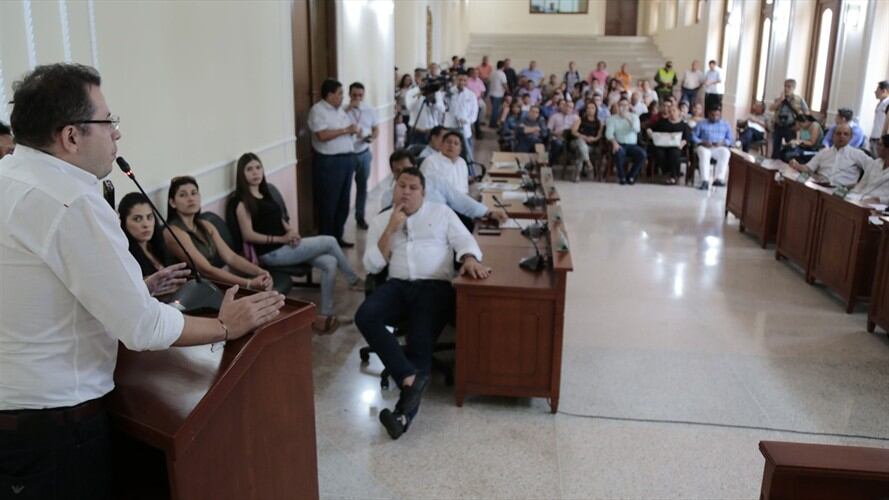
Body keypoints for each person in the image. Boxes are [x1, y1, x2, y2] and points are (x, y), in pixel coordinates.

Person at [0, 63, 284, 498]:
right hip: (55, 427)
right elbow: (142, 328)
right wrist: (227, 326)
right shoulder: (72, 201)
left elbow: (39, 286)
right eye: (107, 121)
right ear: (71, 136)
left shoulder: (9, 176)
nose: (117, 133)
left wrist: (133, 291)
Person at [356, 167, 490, 439]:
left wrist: (469, 259)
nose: (405, 191)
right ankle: (409, 377)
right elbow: (373, 264)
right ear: (393, 189)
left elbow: (464, 239)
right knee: (365, 315)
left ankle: (402, 415)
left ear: (423, 193)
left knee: (420, 340)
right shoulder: (382, 220)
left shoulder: (440, 213)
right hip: (397, 285)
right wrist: (391, 230)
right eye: (401, 186)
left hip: (433, 286)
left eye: (412, 187)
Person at [231, 153, 363, 334]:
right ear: (241, 174)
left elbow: (279, 219)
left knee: (330, 263)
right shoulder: (241, 201)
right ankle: (353, 280)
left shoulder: (265, 192)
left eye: (258, 167)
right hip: (271, 253)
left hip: (286, 247)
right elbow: (248, 235)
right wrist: (281, 239)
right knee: (331, 240)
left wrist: (291, 232)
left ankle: (325, 315)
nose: (255, 172)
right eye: (249, 169)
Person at [165, 176, 275, 291]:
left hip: (213, 283)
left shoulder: (205, 225)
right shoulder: (173, 232)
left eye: (194, 193)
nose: (190, 198)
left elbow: (231, 257)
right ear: (172, 202)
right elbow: (206, 270)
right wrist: (248, 284)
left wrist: (260, 272)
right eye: (183, 195)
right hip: (192, 289)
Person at [381, 150, 507, 222]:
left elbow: (460, 200)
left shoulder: (435, 181)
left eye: (406, 168)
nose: (403, 173)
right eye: (397, 171)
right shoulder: (388, 197)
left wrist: (488, 213)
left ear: (415, 167)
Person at [307, 78, 358, 247]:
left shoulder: (340, 111)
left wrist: (352, 131)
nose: (343, 97)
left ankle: (338, 236)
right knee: (329, 203)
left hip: (346, 160)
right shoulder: (318, 110)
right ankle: (326, 241)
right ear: (329, 95)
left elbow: (343, 131)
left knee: (343, 202)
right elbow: (322, 136)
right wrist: (346, 130)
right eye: (340, 93)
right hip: (329, 162)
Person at [118, 192, 192, 297]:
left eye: (149, 217)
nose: (146, 224)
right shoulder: (125, 256)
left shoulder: (157, 247)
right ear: (123, 222)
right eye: (137, 219)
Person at [788, 123, 870, 187]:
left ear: (850, 137)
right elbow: (809, 168)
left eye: (845, 134)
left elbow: (874, 169)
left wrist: (859, 186)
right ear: (833, 136)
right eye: (838, 133)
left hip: (843, 192)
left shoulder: (857, 154)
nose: (841, 136)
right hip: (820, 186)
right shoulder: (824, 152)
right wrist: (797, 165)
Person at [344, 82, 379, 231]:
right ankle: (342, 221)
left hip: (364, 152)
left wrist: (372, 137)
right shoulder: (342, 111)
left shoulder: (369, 109)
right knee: (344, 189)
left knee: (362, 187)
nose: (357, 98)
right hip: (346, 154)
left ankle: (360, 217)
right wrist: (348, 110)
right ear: (349, 95)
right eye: (354, 95)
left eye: (360, 95)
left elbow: (376, 129)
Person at [605, 98, 646, 185]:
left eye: (625, 105)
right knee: (618, 153)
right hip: (620, 144)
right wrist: (614, 143)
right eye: (621, 105)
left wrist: (628, 119)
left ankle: (631, 176)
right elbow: (609, 134)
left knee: (642, 154)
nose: (623, 107)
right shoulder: (612, 119)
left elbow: (637, 130)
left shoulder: (634, 117)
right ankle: (622, 177)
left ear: (628, 107)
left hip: (632, 145)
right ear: (618, 106)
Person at [648, 102, 691, 185]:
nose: (671, 113)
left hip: (676, 146)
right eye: (670, 111)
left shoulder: (683, 125)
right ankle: (667, 172)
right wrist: (649, 131)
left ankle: (673, 176)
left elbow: (687, 137)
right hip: (662, 145)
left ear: (679, 112)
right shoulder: (662, 122)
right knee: (659, 153)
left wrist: (682, 143)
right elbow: (651, 128)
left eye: (674, 111)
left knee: (674, 154)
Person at [691, 107, 733, 189]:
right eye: (712, 115)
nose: (715, 117)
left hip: (718, 147)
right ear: (708, 114)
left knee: (726, 152)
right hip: (704, 146)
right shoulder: (701, 123)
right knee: (704, 154)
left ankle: (719, 179)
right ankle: (705, 181)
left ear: (720, 114)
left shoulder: (725, 124)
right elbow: (693, 137)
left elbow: (730, 139)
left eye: (717, 115)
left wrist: (723, 142)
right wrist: (702, 141)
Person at [769, 79, 809, 159]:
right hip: (778, 126)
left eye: (789, 87)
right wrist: (780, 100)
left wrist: (800, 125)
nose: (786, 88)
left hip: (790, 127)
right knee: (775, 150)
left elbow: (807, 113)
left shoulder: (799, 99)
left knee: (790, 150)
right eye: (785, 86)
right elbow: (771, 108)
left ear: (793, 88)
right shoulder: (779, 98)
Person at [444, 73, 479, 163]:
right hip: (450, 126)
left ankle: (471, 173)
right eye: (460, 79)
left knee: (467, 154)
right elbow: (443, 108)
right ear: (456, 80)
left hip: (464, 127)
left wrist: (467, 120)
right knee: (449, 151)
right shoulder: (449, 93)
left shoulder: (471, 95)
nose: (461, 82)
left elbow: (474, 113)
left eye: (464, 80)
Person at [405, 71, 445, 146]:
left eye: (427, 79)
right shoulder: (411, 92)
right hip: (417, 130)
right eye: (422, 79)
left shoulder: (435, 92)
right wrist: (419, 96)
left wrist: (433, 102)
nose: (425, 81)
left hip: (432, 131)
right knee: (416, 154)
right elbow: (409, 107)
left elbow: (442, 109)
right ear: (417, 79)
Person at [571, 104, 604, 182]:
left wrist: (594, 139)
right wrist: (584, 137)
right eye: (588, 108)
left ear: (596, 110)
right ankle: (588, 162)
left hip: (591, 145)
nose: (590, 109)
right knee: (581, 143)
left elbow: (599, 136)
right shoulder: (580, 120)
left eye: (592, 108)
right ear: (586, 110)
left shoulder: (599, 122)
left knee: (582, 150)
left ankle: (577, 175)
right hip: (577, 142)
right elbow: (573, 131)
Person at [851, 135, 889, 203]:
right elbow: (862, 183)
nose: (877, 147)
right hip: (861, 199)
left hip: (879, 205)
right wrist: (851, 195)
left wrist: (879, 199)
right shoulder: (875, 163)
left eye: (880, 145)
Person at [547, 100, 580, 165]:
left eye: (571, 107)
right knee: (557, 143)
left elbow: (576, 130)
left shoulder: (576, 118)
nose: (568, 108)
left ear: (573, 109)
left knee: (577, 145)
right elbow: (549, 130)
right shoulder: (555, 116)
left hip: (570, 139)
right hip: (557, 137)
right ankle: (551, 163)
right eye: (567, 106)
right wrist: (555, 133)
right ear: (563, 106)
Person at [487, 60, 509, 128]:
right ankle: (493, 124)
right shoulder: (502, 74)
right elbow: (504, 84)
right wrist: (508, 91)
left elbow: (488, 82)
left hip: (491, 93)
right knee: (496, 110)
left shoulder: (492, 73)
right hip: (498, 94)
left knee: (493, 109)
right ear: (503, 66)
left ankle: (492, 123)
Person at [871, 81, 889, 155]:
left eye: (877, 90)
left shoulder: (887, 103)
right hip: (874, 136)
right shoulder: (880, 103)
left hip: (880, 139)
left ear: (884, 91)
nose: (875, 92)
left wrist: (882, 138)